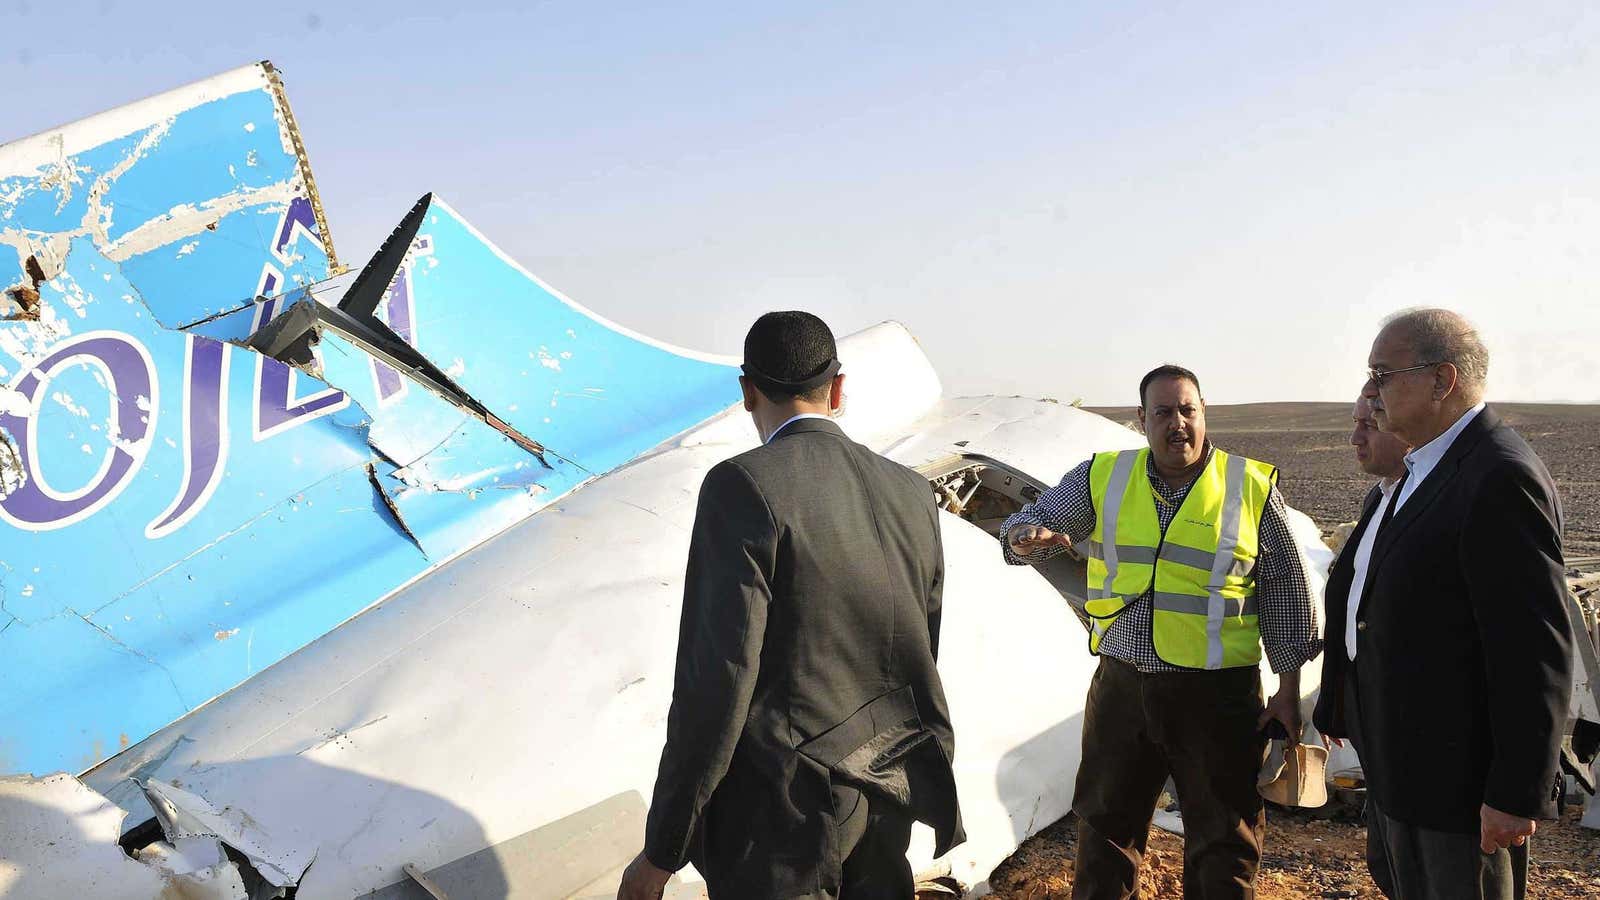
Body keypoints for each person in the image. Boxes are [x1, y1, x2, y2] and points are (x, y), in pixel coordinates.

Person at [619, 311, 963, 900]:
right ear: (838, 388)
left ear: (748, 392)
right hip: (889, 791)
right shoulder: (911, 493)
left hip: (787, 822)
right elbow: (919, 646)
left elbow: (718, 681)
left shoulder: (742, 486)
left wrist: (663, 848)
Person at [1000, 365, 1320, 900]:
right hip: (1123, 689)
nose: (1178, 424)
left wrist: (1288, 690)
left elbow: (1286, 593)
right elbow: (1031, 527)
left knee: (1224, 840)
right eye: (1164, 412)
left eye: (1188, 410)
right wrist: (1027, 539)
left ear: (1204, 414)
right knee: (1105, 830)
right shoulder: (1102, 477)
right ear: (1141, 420)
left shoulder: (1247, 486)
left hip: (1217, 696)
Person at [1324, 308, 1574, 900]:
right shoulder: (1419, 472)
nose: (1372, 392)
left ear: (1442, 381)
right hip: (1404, 771)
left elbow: (1533, 650)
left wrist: (1515, 793)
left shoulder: (1496, 476)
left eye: (1383, 375)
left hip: (1458, 790)